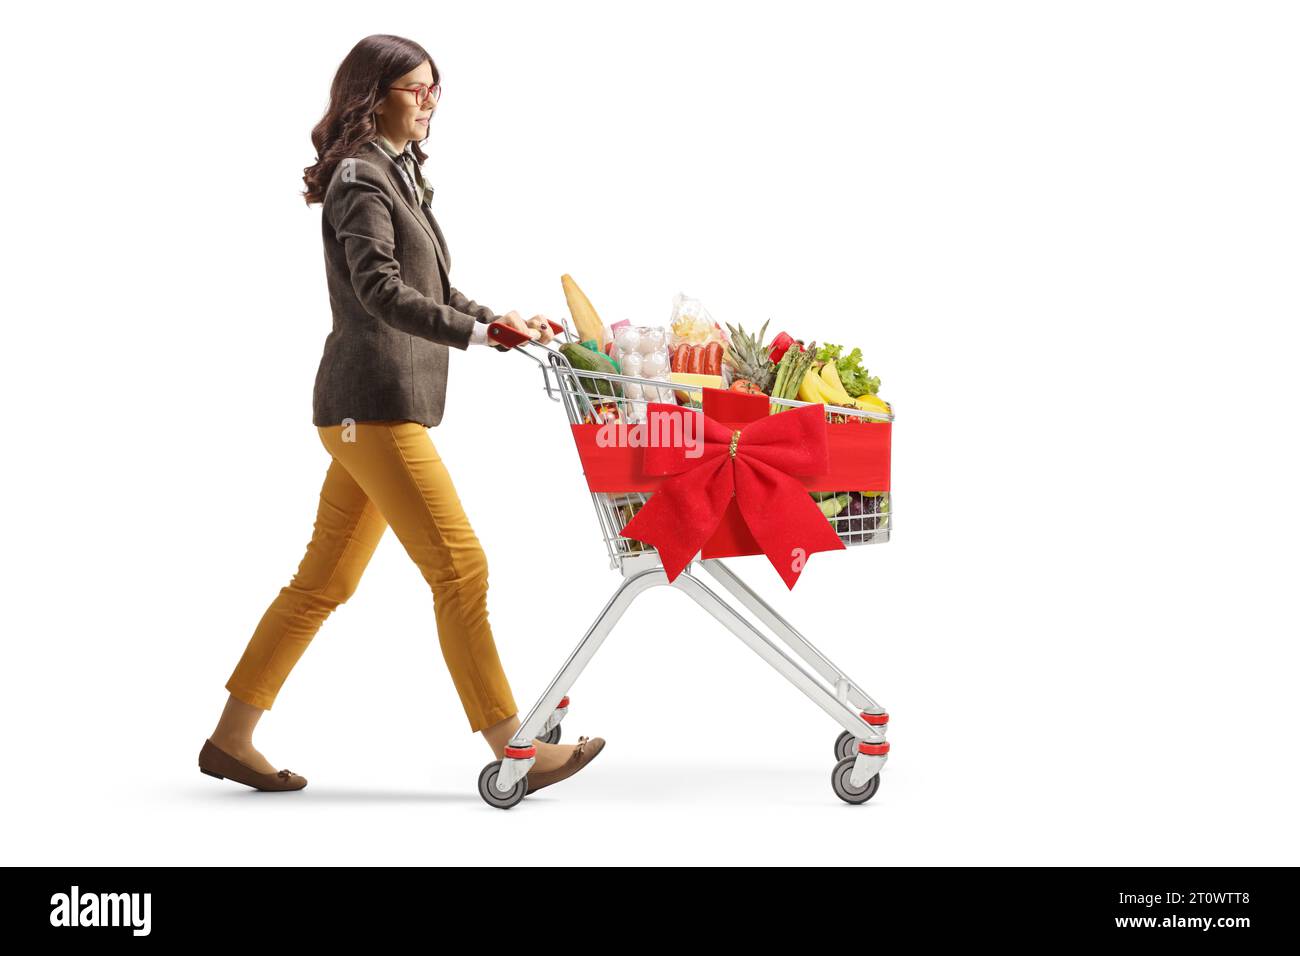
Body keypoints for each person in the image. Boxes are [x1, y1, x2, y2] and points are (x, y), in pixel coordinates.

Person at [198, 34, 604, 794]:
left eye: (434, 89)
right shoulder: (361, 179)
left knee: (322, 583)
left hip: (376, 410)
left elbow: (435, 289)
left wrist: (498, 319)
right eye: (415, 88)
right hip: (371, 407)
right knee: (460, 568)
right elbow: (380, 290)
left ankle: (230, 739)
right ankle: (513, 747)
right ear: (371, 93)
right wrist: (479, 334)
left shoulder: (395, 174)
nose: (429, 101)